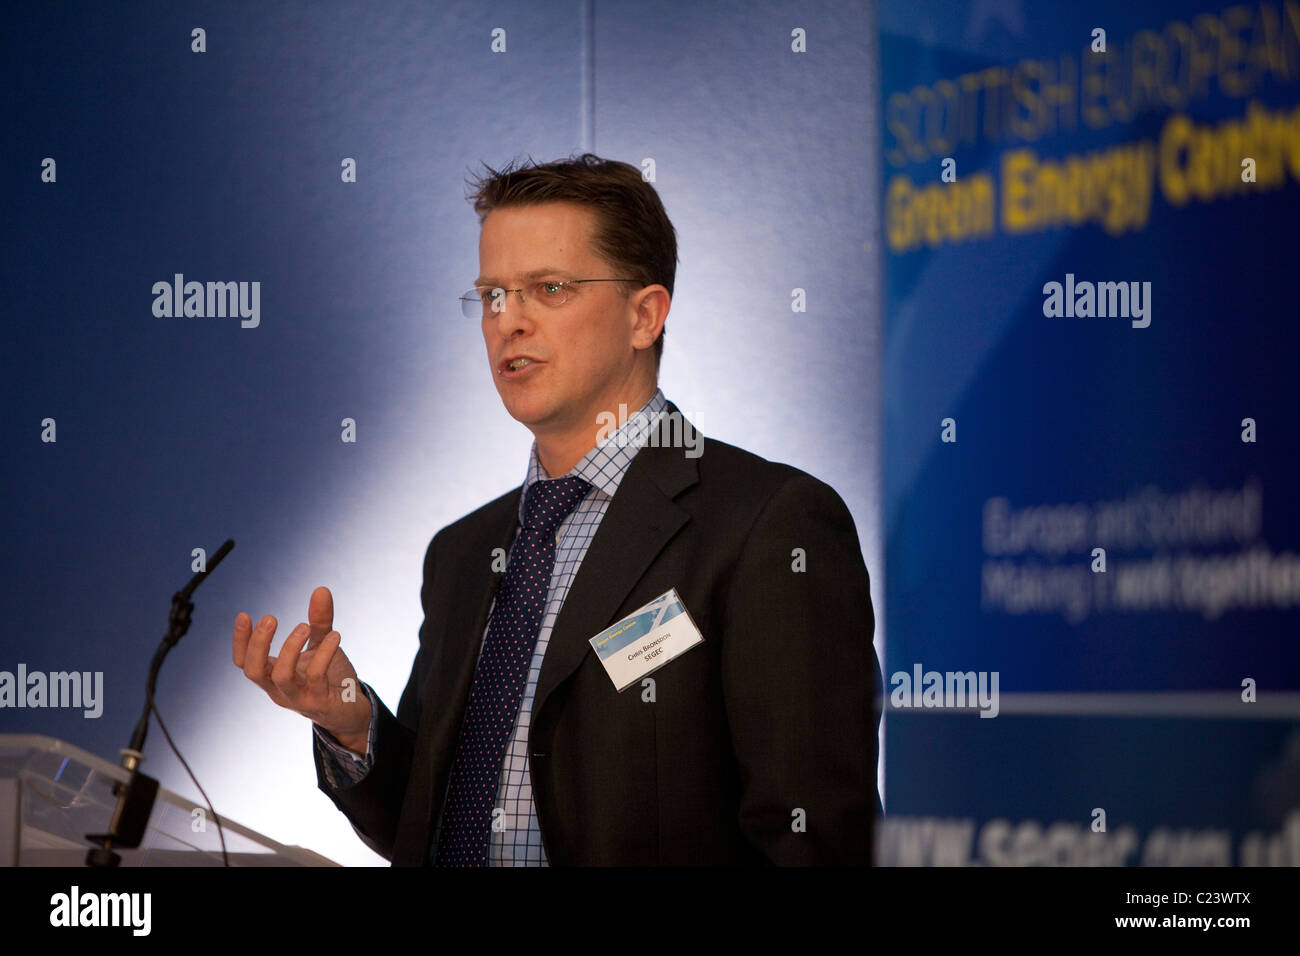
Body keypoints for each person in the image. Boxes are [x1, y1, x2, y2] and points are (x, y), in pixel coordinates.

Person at [232, 153, 881, 865]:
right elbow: (434, 829)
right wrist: (349, 724)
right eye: (492, 296)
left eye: (548, 288)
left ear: (644, 315)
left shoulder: (767, 526)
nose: (509, 321)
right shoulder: (461, 553)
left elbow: (813, 840)